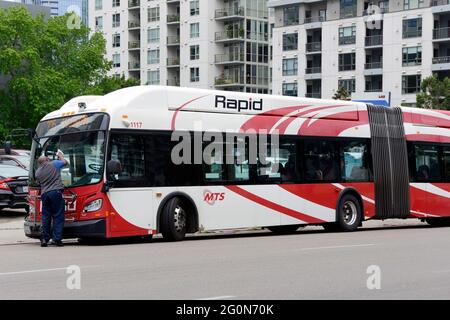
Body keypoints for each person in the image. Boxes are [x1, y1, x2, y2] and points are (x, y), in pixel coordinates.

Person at [35, 150, 68, 247]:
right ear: (47, 160)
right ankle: (57, 239)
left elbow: (38, 182)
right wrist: (61, 156)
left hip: (45, 194)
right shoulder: (54, 164)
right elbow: (66, 163)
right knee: (58, 215)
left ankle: (45, 239)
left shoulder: (38, 172)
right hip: (56, 192)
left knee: (46, 216)